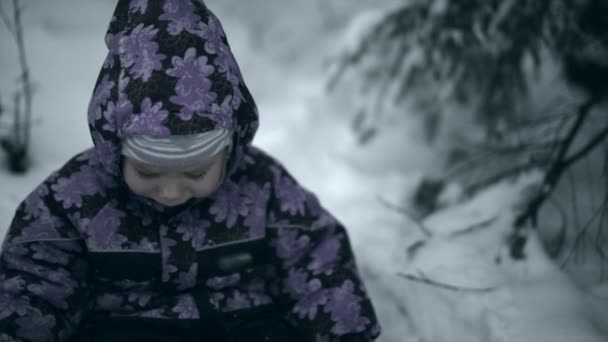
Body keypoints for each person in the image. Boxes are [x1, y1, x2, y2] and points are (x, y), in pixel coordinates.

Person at [0, 0, 381, 341]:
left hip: (244, 321)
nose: (170, 191)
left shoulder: (260, 185)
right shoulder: (76, 197)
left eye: (195, 174)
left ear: (229, 152)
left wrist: (343, 330)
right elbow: (39, 276)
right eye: (149, 173)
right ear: (114, 148)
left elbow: (315, 257)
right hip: (126, 324)